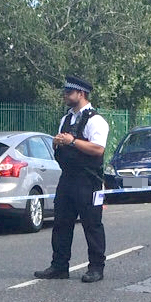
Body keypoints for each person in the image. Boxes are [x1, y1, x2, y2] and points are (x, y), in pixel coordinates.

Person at [34, 75, 109, 283]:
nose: (65, 96)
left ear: (81, 94)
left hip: (90, 181)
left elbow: (98, 149)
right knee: (61, 223)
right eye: (65, 92)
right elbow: (63, 145)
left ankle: (96, 268)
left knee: (92, 224)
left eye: (69, 92)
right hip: (67, 179)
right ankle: (59, 266)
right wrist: (58, 143)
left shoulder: (96, 121)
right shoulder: (65, 119)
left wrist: (72, 141)